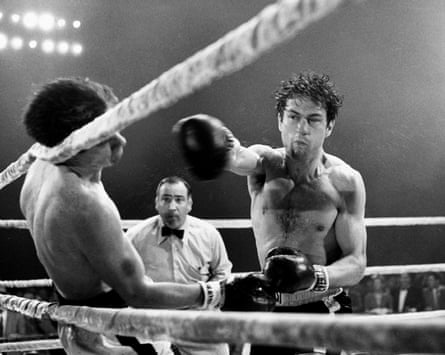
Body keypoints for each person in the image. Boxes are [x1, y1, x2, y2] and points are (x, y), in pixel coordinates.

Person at [19, 77, 276, 355]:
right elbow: (139, 294)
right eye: (108, 133)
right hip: (114, 332)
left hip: (80, 324)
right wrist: (220, 292)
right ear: (77, 143)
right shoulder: (83, 204)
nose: (121, 140)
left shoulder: (41, 165)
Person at [175, 71, 367, 354]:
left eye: (313, 119)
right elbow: (237, 156)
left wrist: (315, 276)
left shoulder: (345, 182)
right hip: (269, 305)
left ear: (329, 126)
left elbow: (356, 263)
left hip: (322, 307)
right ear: (280, 120)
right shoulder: (265, 164)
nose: (301, 128)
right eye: (293, 117)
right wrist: (214, 145)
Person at [126, 176, 232, 355]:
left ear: (189, 204)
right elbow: (126, 280)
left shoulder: (209, 235)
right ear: (157, 203)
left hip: (199, 318)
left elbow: (222, 273)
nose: (172, 207)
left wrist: (204, 303)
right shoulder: (135, 237)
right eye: (166, 199)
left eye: (179, 200)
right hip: (153, 322)